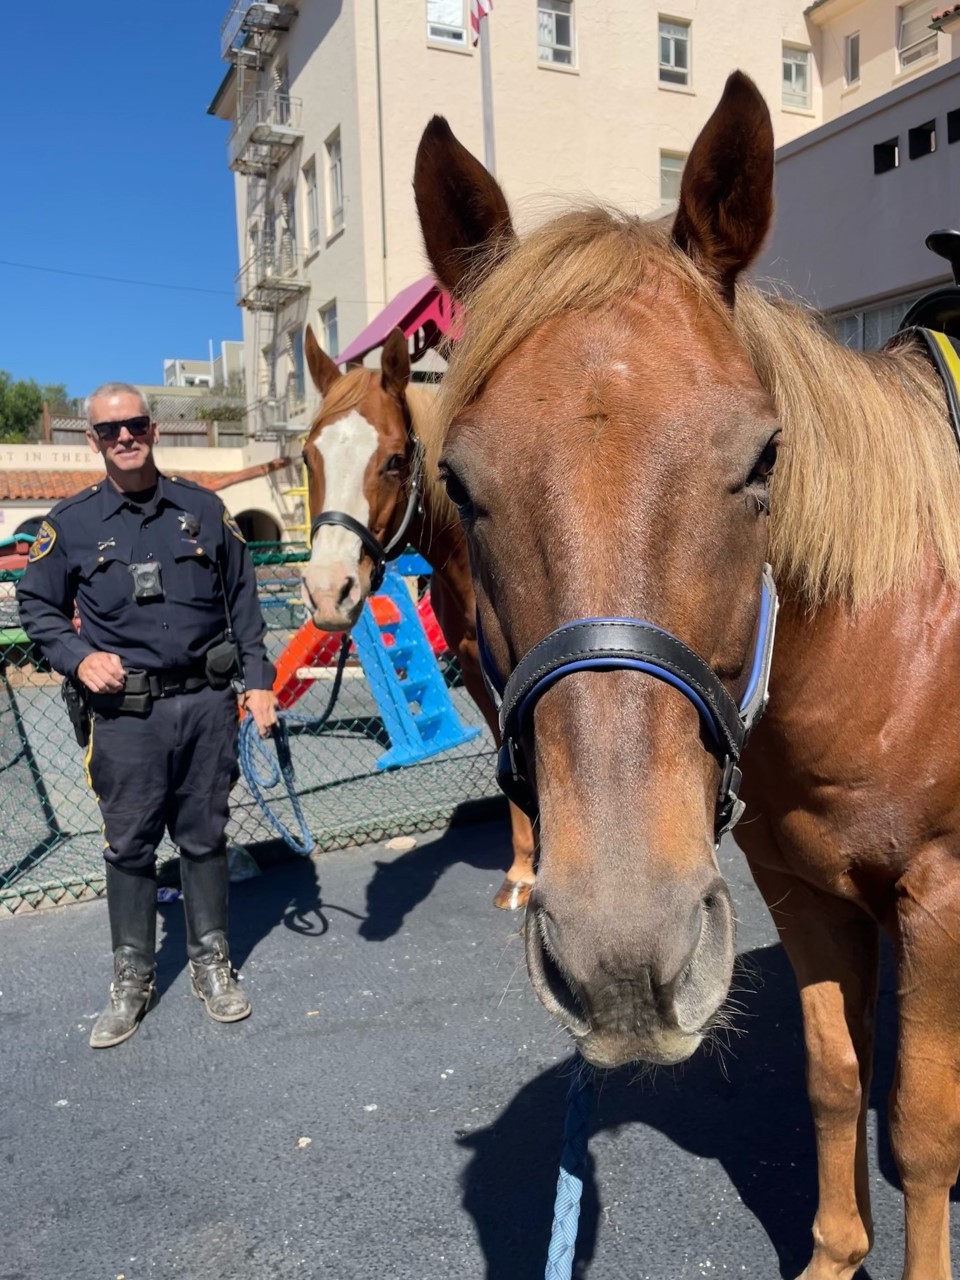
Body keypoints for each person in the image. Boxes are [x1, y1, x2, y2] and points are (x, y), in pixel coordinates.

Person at [16, 382, 278, 1048]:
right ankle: (131, 978)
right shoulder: (68, 524)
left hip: (206, 707)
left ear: (153, 430)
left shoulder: (202, 509)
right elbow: (38, 609)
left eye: (134, 425)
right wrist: (77, 657)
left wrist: (260, 684)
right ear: (93, 441)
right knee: (129, 846)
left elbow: (242, 601)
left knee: (205, 836)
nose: (124, 437)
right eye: (110, 430)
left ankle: (211, 964)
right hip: (126, 716)